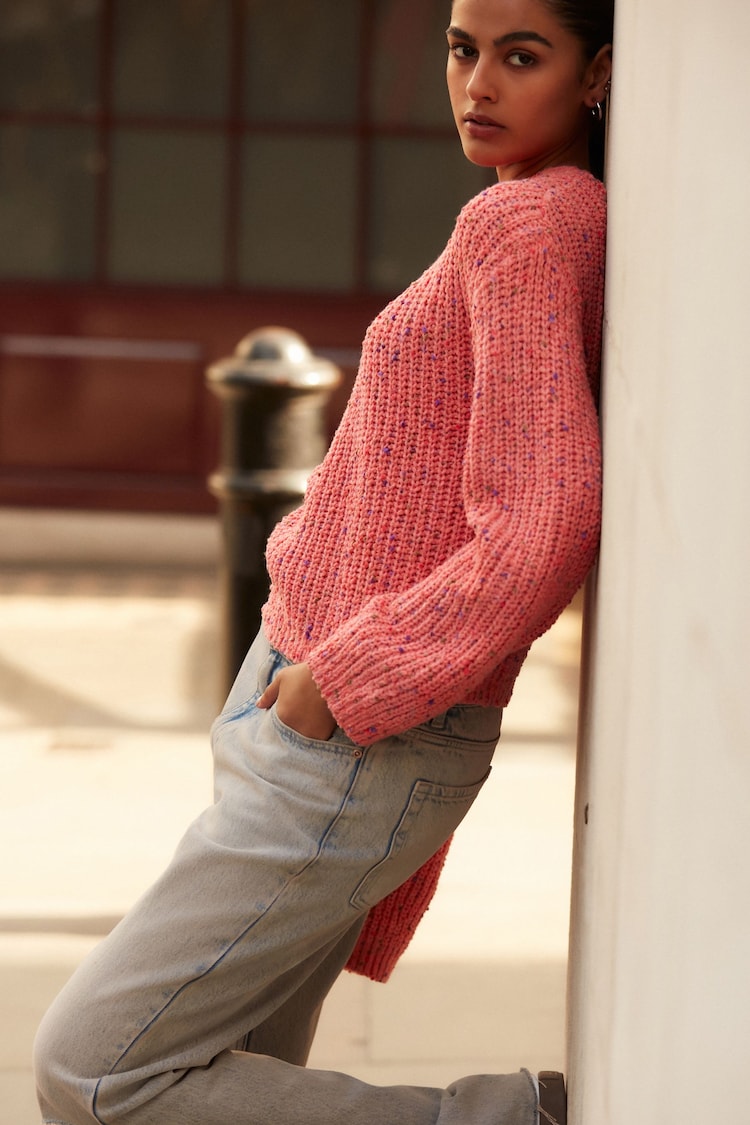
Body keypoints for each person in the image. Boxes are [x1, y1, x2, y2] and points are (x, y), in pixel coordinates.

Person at [33, 1, 613, 1122]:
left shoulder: (529, 227)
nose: (478, 84)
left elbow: (548, 518)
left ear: (596, 76)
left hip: (353, 725)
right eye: (461, 51)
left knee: (98, 1071)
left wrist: (339, 686)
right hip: (325, 709)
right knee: (219, 1080)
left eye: (521, 56)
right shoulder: (535, 215)